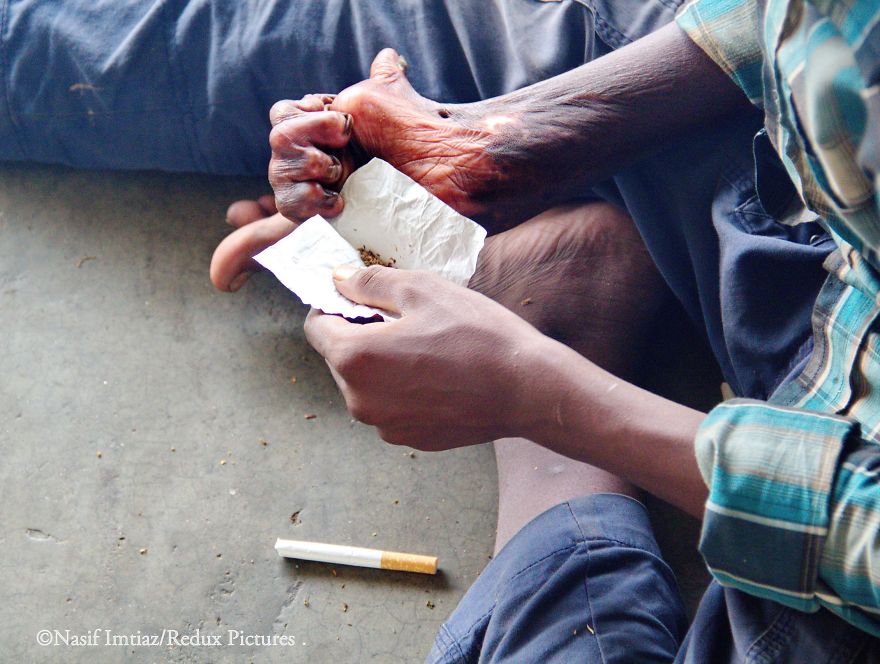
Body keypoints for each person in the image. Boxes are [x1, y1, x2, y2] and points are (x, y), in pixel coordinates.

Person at [4, 1, 877, 662]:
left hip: (839, 532)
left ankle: (559, 383)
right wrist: (515, 139)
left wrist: (546, 399)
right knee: (246, 42)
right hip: (823, 220)